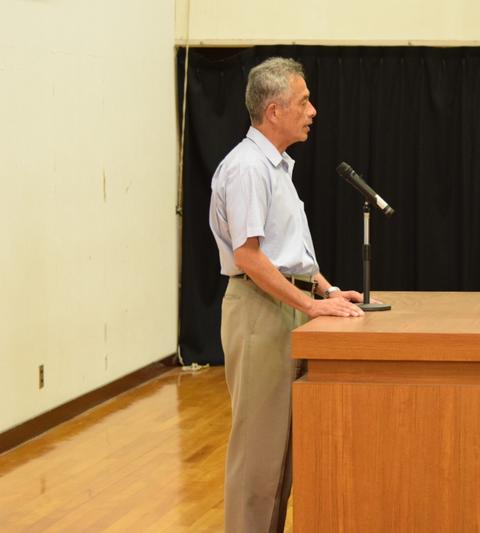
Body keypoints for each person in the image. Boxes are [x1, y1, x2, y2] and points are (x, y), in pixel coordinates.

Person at [208, 57, 365, 533]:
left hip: (285, 306)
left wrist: (326, 288)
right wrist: (311, 305)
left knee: (282, 458)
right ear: (274, 110)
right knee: (259, 457)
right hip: (260, 311)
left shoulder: (275, 168)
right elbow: (250, 257)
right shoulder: (247, 168)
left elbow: (287, 253)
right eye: (303, 101)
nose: (312, 111)